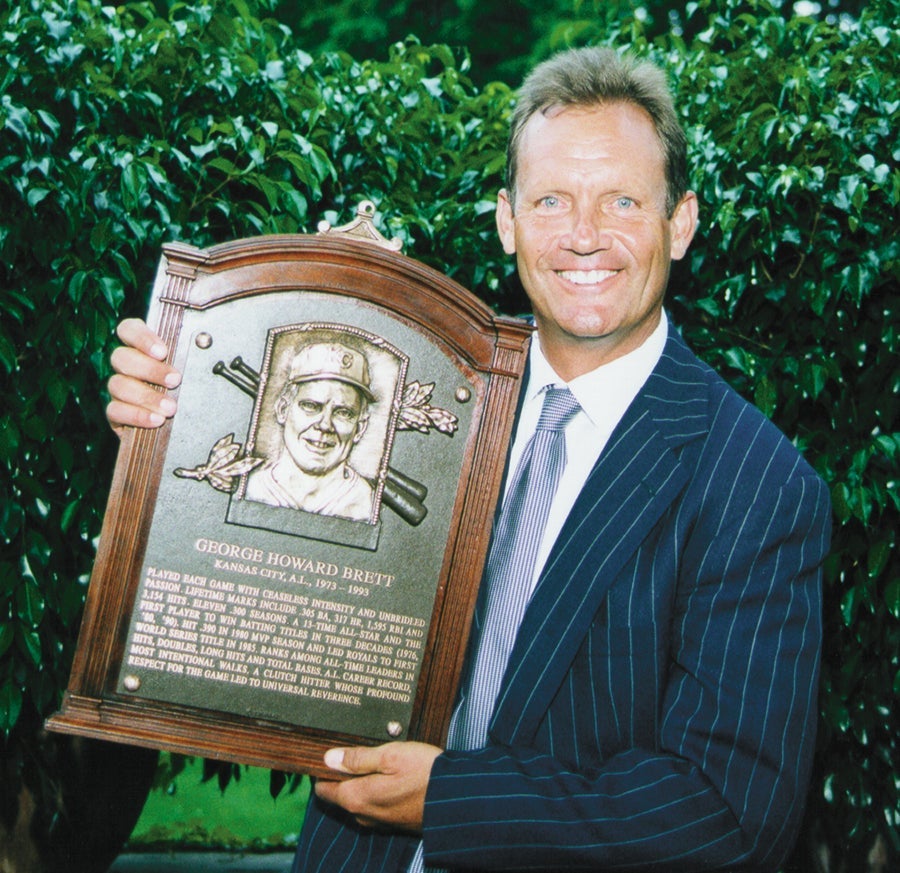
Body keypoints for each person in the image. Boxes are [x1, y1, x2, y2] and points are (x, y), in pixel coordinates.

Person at [107, 46, 831, 872]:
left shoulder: (756, 486)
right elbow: (274, 538)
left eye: (623, 200)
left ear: (681, 221)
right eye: (551, 199)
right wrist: (171, 416)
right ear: (507, 220)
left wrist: (448, 797)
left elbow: (726, 815)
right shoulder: (430, 392)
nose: (584, 235)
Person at [244, 341, 376, 521]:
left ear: (360, 428)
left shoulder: (366, 505)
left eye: (343, 413)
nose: (324, 425)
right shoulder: (250, 487)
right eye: (311, 406)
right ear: (283, 409)